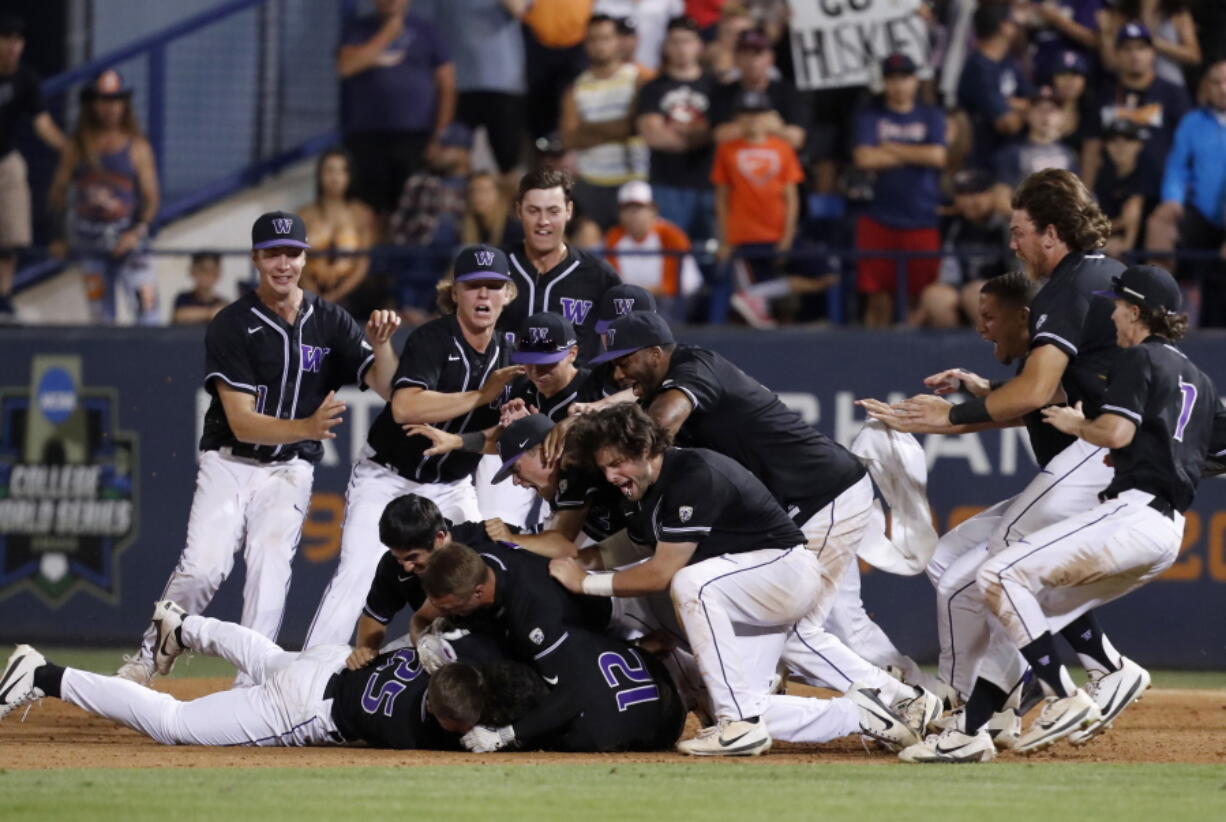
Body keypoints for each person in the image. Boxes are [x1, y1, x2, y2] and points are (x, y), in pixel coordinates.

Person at [888, 169, 1132, 758]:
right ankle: (989, 705)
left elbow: (1032, 393)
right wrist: (978, 394)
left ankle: (976, 716)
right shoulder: (1101, 276)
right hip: (1109, 452)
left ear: (1052, 232)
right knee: (957, 563)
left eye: (1021, 230)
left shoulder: (1067, 290)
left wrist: (947, 418)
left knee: (1000, 573)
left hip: (1101, 458)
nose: (1014, 244)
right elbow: (1046, 395)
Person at [546, 404, 939, 756]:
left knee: (689, 584)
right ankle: (879, 708)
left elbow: (660, 571)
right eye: (605, 468)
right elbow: (627, 549)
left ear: (646, 449)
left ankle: (739, 726)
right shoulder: (644, 492)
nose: (612, 476)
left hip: (782, 572)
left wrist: (585, 583)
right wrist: (575, 559)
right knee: (744, 692)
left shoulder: (693, 472)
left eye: (618, 463)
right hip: (748, 589)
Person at [115, 211, 400, 685]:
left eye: (292, 253)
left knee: (269, 568)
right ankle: (150, 655)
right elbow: (243, 424)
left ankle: (250, 684)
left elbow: (390, 390)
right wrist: (307, 426)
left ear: (305, 257)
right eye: (273, 254)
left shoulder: (331, 321)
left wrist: (383, 346)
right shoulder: (232, 323)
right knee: (203, 568)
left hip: (288, 470)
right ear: (255, 259)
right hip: (229, 462)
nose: (283, 263)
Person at [589, 312, 939, 694]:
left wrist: (606, 436)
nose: (619, 374)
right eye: (613, 366)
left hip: (821, 498)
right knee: (836, 618)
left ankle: (908, 698)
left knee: (796, 631)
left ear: (656, 353)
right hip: (792, 511)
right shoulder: (660, 385)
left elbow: (660, 425)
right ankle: (915, 689)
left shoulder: (693, 368)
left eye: (625, 362)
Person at [983, 264, 1217, 753]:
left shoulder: (1139, 358)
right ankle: (1096, 675)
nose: (1110, 312)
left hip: (1133, 513)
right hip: (1169, 529)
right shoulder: (1199, 379)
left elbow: (1115, 433)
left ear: (1135, 311)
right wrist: (1173, 458)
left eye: (1117, 304)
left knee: (999, 576)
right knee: (1037, 605)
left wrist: (1075, 425)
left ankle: (1061, 697)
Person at [301, 244, 523, 650]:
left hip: (452, 485)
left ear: (507, 294)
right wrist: (479, 396)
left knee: (476, 573)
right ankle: (309, 678)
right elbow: (404, 407)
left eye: (494, 286)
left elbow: (511, 439)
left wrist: (470, 433)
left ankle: (474, 663)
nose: (484, 296)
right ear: (455, 292)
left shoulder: (511, 355)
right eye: (473, 286)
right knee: (359, 569)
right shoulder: (434, 338)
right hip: (388, 476)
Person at [1, 604, 458, 750]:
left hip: (334, 661)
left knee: (270, 659)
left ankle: (184, 626)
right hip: (307, 707)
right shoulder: (435, 727)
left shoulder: (456, 662)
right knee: (174, 723)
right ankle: (45, 674)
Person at [345, 493, 520, 671]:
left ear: (439, 538)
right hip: (440, 642)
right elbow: (374, 617)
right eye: (399, 559)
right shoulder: (393, 565)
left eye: (413, 557)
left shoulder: (481, 540)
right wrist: (364, 651)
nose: (406, 567)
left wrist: (519, 541)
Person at [48, 70, 159, 325]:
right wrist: (57, 235)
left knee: (147, 310)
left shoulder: (137, 146)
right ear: (93, 104)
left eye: (116, 100)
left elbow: (151, 198)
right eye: (104, 100)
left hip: (130, 244)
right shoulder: (77, 146)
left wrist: (136, 231)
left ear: (124, 104)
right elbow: (59, 192)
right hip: (90, 245)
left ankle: (153, 364)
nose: (110, 108)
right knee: (100, 318)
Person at [852, 53, 948, 328]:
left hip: (921, 217)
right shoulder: (870, 115)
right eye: (892, 78)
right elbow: (864, 159)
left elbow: (938, 156)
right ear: (884, 82)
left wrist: (889, 147)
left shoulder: (931, 115)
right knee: (877, 298)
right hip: (879, 218)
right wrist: (917, 153)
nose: (899, 84)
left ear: (915, 80)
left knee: (921, 299)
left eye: (905, 77)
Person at [336, 0, 455, 217]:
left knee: (411, 210)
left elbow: (447, 86)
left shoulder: (427, 31)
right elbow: (346, 66)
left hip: (415, 136)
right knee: (367, 209)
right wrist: (387, 35)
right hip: (366, 136)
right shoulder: (358, 28)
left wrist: (439, 135)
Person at [501, 168, 622, 363]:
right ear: (518, 211)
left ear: (569, 211)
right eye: (533, 211)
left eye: (553, 211)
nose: (543, 221)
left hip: (576, 392)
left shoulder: (598, 275)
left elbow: (626, 346)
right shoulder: (496, 267)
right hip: (505, 389)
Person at [711, 89, 803, 329]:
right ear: (738, 119)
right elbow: (721, 198)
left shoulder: (783, 149)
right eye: (746, 114)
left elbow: (791, 197)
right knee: (750, 308)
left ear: (768, 116)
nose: (753, 120)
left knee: (779, 290)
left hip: (774, 232)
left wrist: (788, 235)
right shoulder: (727, 150)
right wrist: (725, 238)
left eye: (758, 113)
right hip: (742, 234)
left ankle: (756, 302)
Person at [1147, 58, 1226, 327]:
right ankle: (1156, 318)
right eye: (1216, 82)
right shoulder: (1192, 122)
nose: (1223, 88)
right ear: (1206, 86)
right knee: (1159, 221)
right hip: (1200, 213)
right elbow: (1177, 168)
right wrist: (1172, 201)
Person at [415, 0, 526, 189]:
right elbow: (423, 23)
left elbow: (519, 8)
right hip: (456, 86)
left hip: (503, 84)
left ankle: (515, 217)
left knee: (508, 166)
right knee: (451, 161)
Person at [0, 12, 66, 322]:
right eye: (6, 40)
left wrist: (71, 150)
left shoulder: (25, 79)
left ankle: (4, 298)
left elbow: (43, 125)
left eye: (18, 40)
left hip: (6, 159)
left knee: (13, 236)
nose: (13, 47)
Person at [560, 14, 650, 229]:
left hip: (633, 179)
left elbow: (636, 126)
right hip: (591, 181)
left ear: (618, 41)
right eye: (594, 39)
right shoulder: (576, 88)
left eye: (606, 38)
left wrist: (589, 131)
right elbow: (570, 138)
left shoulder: (638, 79)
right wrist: (620, 127)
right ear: (586, 44)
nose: (600, 45)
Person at [635, 15, 718, 243]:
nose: (682, 48)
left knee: (708, 254)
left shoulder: (716, 86)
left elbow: (718, 131)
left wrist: (675, 129)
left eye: (688, 41)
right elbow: (653, 135)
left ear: (699, 45)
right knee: (671, 250)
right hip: (665, 183)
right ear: (666, 45)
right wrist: (698, 133)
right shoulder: (652, 87)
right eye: (676, 41)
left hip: (708, 181)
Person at [1081, 22, 1190, 192]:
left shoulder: (1173, 93)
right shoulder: (1103, 95)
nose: (1135, 55)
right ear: (1116, 54)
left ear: (1153, 53)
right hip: (1112, 192)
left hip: (1159, 190)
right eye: (1127, 49)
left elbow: (1186, 146)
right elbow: (1091, 148)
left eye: (1141, 48)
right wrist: (1084, 197)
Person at [386, 122, 473, 316]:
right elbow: (397, 226)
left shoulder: (477, 185)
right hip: (417, 257)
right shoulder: (419, 182)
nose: (435, 152)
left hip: (455, 261)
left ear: (463, 152)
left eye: (444, 147)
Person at [914, 169, 1012, 329]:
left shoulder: (1007, 223)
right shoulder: (952, 223)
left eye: (975, 193)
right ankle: (954, 351)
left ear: (991, 194)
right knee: (934, 296)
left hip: (1009, 294)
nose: (968, 201)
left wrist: (1009, 212)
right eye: (962, 194)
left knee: (977, 293)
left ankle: (995, 351)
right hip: (961, 289)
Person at [603, 181, 703, 318]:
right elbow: (611, 281)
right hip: (631, 301)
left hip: (668, 300)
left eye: (639, 208)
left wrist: (649, 291)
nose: (633, 214)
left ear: (652, 210)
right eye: (626, 209)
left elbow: (686, 283)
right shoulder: (614, 238)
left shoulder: (671, 235)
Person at [296, 148, 376, 313]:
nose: (335, 177)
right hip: (308, 293)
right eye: (329, 170)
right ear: (320, 175)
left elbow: (362, 265)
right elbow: (296, 259)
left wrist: (335, 296)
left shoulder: (361, 214)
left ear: (349, 176)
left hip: (352, 296)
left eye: (342, 171)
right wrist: (314, 294)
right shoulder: (304, 214)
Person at [957, 3, 1032, 170]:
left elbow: (1033, 99)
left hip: (1009, 158)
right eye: (1013, 22)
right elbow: (1007, 124)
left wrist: (1013, 103)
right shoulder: (978, 68)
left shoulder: (1007, 61)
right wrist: (1026, 109)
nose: (1017, 26)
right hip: (984, 164)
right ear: (1003, 27)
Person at [708, 28, 805, 151]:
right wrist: (766, 124)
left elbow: (797, 139)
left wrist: (742, 125)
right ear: (736, 59)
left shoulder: (788, 92)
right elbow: (719, 137)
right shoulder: (722, 93)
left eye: (757, 54)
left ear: (771, 58)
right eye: (745, 54)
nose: (752, 61)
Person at [992, 86, 1079, 204]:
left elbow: (1078, 198)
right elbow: (1001, 199)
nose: (1045, 116)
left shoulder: (1070, 155)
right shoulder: (1012, 153)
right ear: (1028, 115)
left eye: (1051, 110)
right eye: (1039, 109)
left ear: (1061, 116)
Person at [1095, 118, 1160, 260]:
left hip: (1145, 247)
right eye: (1114, 141)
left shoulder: (1147, 170)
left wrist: (1124, 249)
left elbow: (1131, 216)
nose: (1120, 147)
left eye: (1128, 140)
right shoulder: (1104, 174)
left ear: (1139, 145)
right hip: (1111, 240)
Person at [1099, 0, 1201, 88]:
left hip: (1170, 85)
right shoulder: (1123, 13)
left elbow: (1194, 55)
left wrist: (1151, 41)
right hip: (1132, 88)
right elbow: (1111, 63)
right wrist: (1105, 33)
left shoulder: (1178, 13)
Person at [460, 171, 523, 249]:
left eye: (484, 190)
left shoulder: (514, 231)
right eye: (473, 191)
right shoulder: (465, 228)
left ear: (499, 194)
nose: (477, 196)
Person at [171, 251, 228, 325]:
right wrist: (210, 313)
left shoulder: (222, 302)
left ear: (218, 274)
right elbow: (179, 315)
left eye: (212, 271)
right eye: (202, 270)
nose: (207, 276)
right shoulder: (183, 298)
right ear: (192, 271)